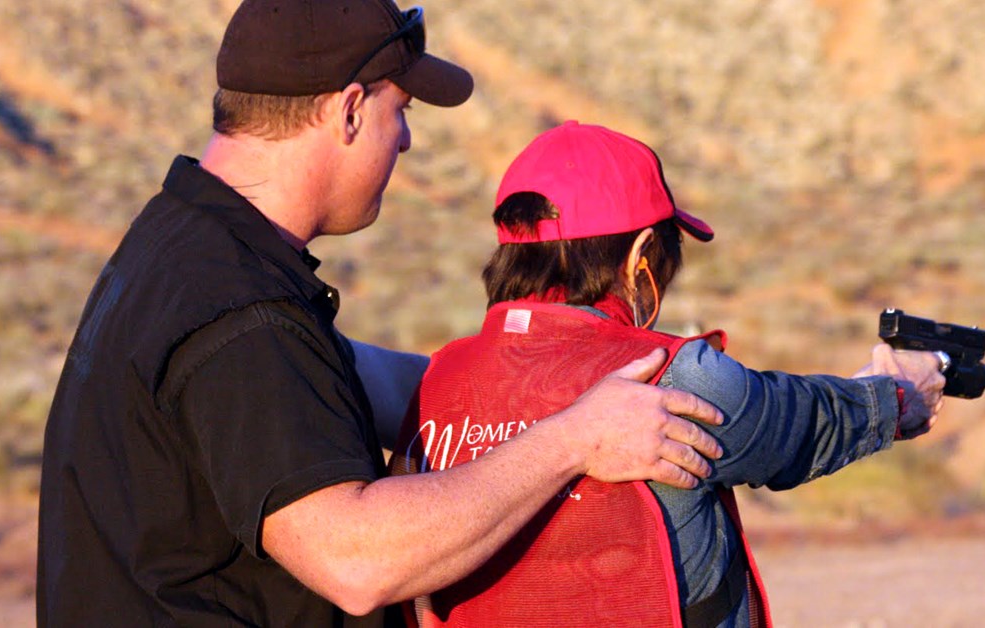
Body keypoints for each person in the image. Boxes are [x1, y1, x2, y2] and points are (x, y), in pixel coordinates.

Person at [35, 3, 727, 626]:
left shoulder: (181, 245)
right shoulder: (241, 312)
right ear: (349, 110)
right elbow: (356, 561)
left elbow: (341, 379)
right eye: (403, 112)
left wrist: (525, 386)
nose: (405, 143)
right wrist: (573, 440)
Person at [389, 121, 946, 627]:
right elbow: (795, 423)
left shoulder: (437, 380)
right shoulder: (667, 376)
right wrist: (895, 397)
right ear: (640, 256)